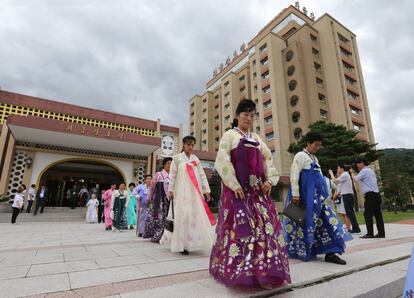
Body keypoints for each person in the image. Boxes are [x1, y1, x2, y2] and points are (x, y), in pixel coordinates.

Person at [210, 99, 291, 288]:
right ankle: (240, 271)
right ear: (237, 116)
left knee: (263, 229)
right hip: (237, 192)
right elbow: (222, 160)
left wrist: (269, 180)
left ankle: (263, 272)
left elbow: (268, 158)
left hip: (258, 193)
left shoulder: (256, 138)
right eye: (245, 115)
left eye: (252, 115)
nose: (248, 118)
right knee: (239, 230)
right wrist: (233, 184)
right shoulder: (229, 136)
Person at [283, 131, 350, 265]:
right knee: (303, 225)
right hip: (304, 199)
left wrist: (332, 184)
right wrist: (295, 193)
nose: (318, 148)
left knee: (329, 222)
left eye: (320, 146)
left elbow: (319, 178)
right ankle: (304, 251)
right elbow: (294, 174)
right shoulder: (300, 156)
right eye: (316, 145)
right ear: (308, 143)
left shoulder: (314, 158)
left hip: (317, 200)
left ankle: (331, 252)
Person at [160, 135, 215, 255]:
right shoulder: (177, 158)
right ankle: (182, 244)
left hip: (194, 194)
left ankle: (192, 243)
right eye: (188, 144)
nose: (190, 147)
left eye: (192, 145)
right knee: (183, 216)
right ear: (183, 145)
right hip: (180, 193)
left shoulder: (196, 159)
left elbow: (201, 175)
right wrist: (170, 190)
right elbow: (172, 175)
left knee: (193, 216)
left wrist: (206, 190)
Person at [351, 158, 385, 238]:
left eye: (358, 164)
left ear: (362, 163)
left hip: (371, 196)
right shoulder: (370, 170)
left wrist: (352, 173)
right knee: (378, 215)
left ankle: (370, 233)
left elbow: (355, 179)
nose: (357, 165)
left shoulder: (364, 171)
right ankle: (381, 233)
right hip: (376, 194)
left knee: (367, 214)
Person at [143, 157, 172, 243]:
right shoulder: (159, 174)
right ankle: (157, 236)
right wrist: (148, 198)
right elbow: (151, 187)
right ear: (164, 164)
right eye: (168, 163)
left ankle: (167, 236)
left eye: (171, 163)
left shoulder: (173, 176)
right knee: (159, 218)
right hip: (159, 200)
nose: (170, 165)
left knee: (168, 217)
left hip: (169, 200)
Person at [329, 165, 361, 234]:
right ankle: (356, 228)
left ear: (342, 169)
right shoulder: (345, 175)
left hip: (347, 195)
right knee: (349, 213)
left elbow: (335, 181)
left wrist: (331, 174)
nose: (337, 169)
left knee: (349, 213)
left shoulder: (345, 174)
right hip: (347, 195)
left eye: (338, 168)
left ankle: (355, 229)